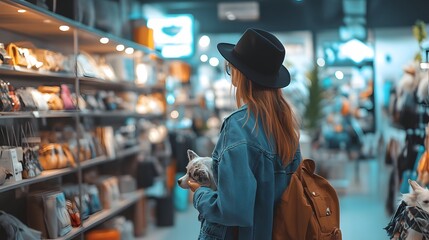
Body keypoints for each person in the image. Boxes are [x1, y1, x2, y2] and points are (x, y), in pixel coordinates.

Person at [187, 28, 302, 239]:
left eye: (231, 68)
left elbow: (233, 210)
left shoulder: (238, 127)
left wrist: (200, 194)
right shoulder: (285, 126)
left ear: (241, 74)